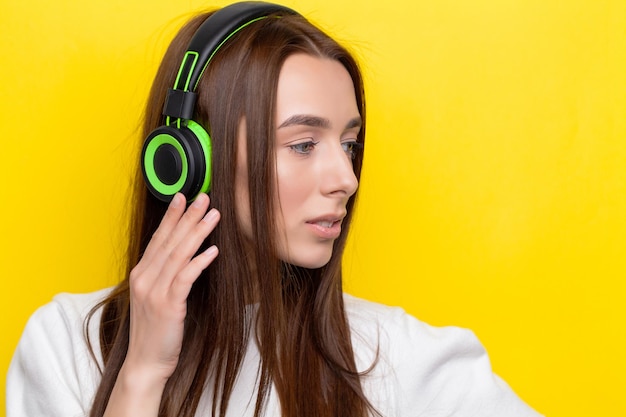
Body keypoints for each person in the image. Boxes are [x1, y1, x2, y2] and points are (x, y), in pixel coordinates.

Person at [7, 2, 543, 417]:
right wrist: (142, 373)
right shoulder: (66, 346)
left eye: (349, 144)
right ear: (189, 161)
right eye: (304, 144)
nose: (346, 179)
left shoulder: (407, 358)